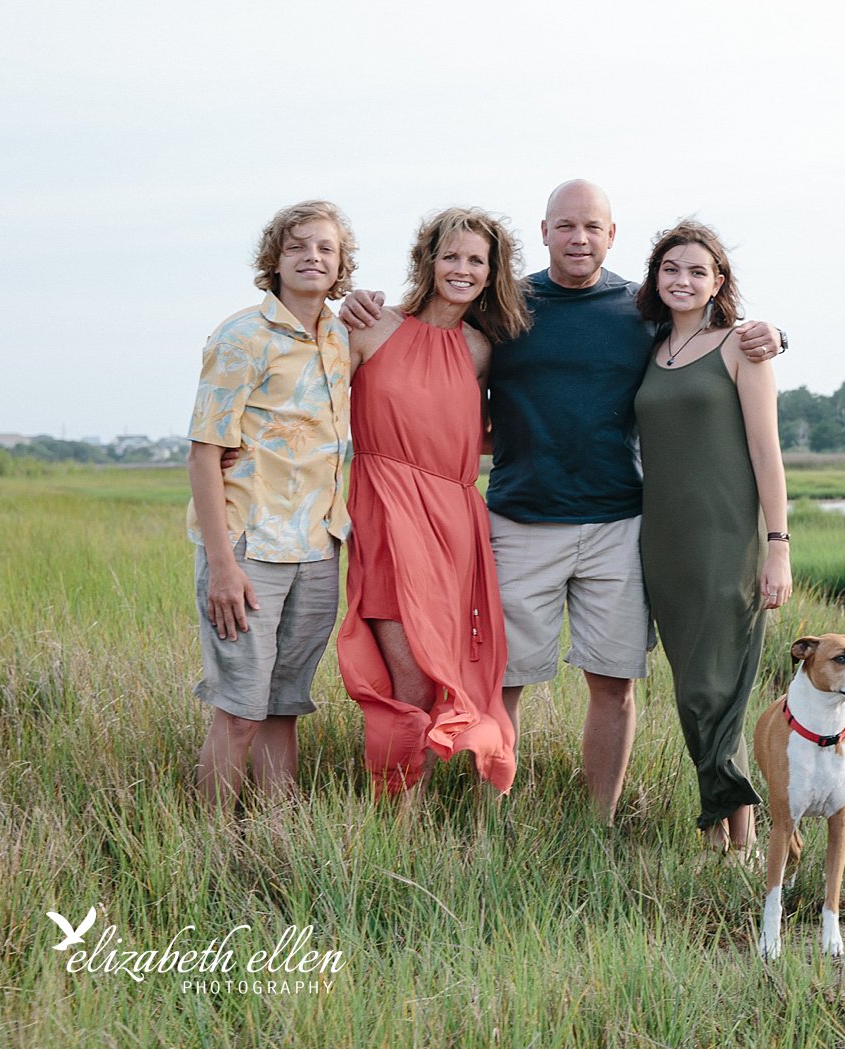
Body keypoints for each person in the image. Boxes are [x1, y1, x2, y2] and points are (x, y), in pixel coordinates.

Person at [340, 180, 784, 824]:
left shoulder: (642, 309)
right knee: (504, 680)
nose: (580, 238)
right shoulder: (504, 307)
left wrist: (772, 332)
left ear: (612, 235)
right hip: (520, 521)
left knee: (613, 682)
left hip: (619, 524)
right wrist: (358, 302)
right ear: (544, 232)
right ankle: (491, 816)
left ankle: (597, 825)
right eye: (566, 226)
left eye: (593, 227)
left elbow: (709, 335)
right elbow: (427, 344)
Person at [335, 207, 531, 806]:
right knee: (412, 679)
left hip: (455, 523)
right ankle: (398, 821)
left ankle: (471, 816)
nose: (462, 269)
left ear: (492, 272)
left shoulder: (479, 349)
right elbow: (310, 408)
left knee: (469, 673)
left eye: (476, 260)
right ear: (428, 260)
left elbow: (483, 430)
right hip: (387, 515)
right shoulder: (370, 328)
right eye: (451, 256)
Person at [186, 200, 356, 812]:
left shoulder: (341, 337)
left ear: (341, 266)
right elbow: (204, 454)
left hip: (316, 547)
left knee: (285, 707)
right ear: (275, 260)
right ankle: (205, 851)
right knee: (239, 711)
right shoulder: (242, 336)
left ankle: (277, 841)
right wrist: (223, 567)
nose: (312, 257)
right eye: (298, 247)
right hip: (249, 546)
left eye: (325, 249)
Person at [634, 221, 791, 851]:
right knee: (690, 690)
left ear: (718, 282)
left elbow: (766, 450)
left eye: (698, 271)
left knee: (716, 687)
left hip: (728, 540)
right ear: (656, 276)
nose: (683, 280)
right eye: (672, 268)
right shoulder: (647, 349)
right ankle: (724, 833)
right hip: (663, 544)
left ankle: (741, 838)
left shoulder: (739, 348)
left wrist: (777, 545)